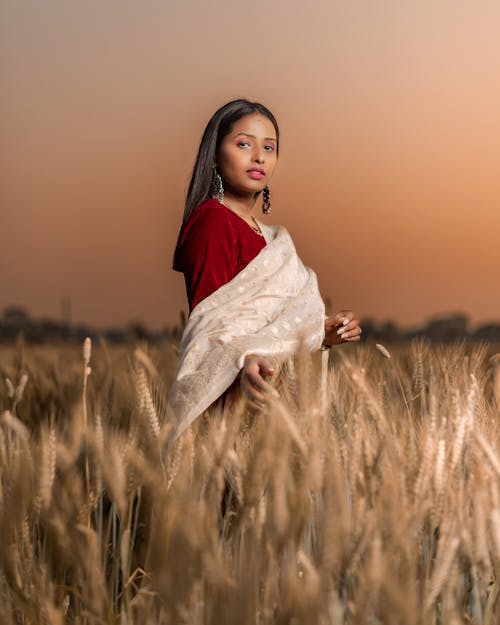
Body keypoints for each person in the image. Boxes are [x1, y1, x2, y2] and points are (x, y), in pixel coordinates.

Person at [168, 99, 361, 439]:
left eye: (269, 148)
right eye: (244, 144)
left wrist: (323, 331)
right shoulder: (213, 222)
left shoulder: (268, 236)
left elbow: (272, 328)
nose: (259, 156)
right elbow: (213, 328)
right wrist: (243, 366)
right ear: (214, 155)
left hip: (268, 395)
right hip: (232, 394)